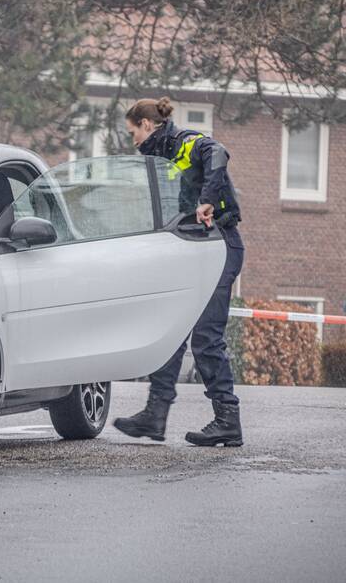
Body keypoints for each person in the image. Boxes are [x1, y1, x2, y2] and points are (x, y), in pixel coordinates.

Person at [112, 97, 244, 447]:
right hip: (192, 249)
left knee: (205, 336)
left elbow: (218, 153)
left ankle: (228, 420)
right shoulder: (158, 160)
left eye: (133, 132)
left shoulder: (185, 142)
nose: (133, 141)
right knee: (171, 331)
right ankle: (155, 415)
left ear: (147, 124)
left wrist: (207, 200)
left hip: (221, 246)